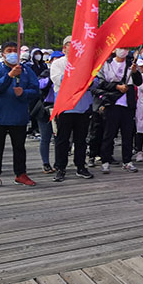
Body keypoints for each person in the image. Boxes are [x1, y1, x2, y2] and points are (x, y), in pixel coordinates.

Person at [0, 41, 39, 187]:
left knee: (19, 147)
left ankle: (20, 174)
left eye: (15, 50)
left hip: (19, 116)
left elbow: (35, 90)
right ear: (3, 53)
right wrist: (10, 75)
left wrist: (23, 93)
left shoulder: (26, 70)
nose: (12, 53)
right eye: (9, 50)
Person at [51, 36, 94, 182]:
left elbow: (95, 83)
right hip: (65, 108)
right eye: (70, 45)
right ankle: (60, 168)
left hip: (82, 108)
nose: (73, 48)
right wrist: (77, 73)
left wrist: (86, 76)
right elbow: (59, 80)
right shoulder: (58, 64)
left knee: (81, 140)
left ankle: (81, 166)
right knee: (62, 140)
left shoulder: (88, 64)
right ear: (64, 48)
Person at [96, 48, 142, 173]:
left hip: (128, 105)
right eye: (121, 48)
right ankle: (105, 161)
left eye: (126, 48)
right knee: (109, 134)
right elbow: (100, 83)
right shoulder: (107, 64)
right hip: (112, 103)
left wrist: (135, 72)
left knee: (127, 135)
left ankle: (127, 161)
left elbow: (139, 82)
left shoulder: (131, 64)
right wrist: (116, 86)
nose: (123, 51)